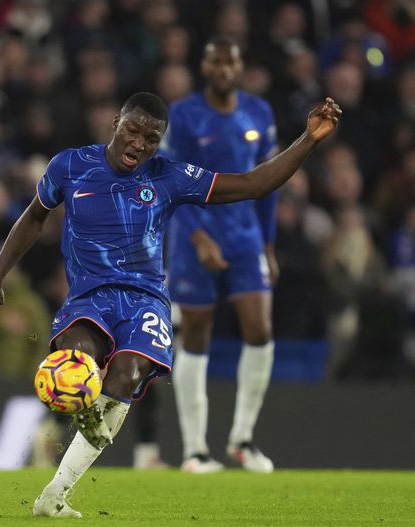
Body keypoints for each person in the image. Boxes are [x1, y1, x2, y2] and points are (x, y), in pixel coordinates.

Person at [0, 91, 340, 517]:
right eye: (133, 131)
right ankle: (82, 408)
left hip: (145, 300)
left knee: (126, 377)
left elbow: (254, 183)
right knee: (76, 359)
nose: (139, 145)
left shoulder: (170, 176)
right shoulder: (71, 166)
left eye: (151, 138)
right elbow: (34, 217)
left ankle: (55, 493)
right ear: (115, 123)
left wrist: (308, 140)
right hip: (89, 297)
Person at [162, 35, 281, 474]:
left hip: (246, 235)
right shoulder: (185, 115)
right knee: (195, 331)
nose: (224, 70)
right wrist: (196, 237)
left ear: (240, 66)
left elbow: (269, 182)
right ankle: (195, 449)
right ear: (205, 67)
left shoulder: (259, 112)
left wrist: (268, 244)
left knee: (260, 329)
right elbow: (171, 183)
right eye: (216, 63)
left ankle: (243, 439)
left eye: (231, 63)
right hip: (196, 233)